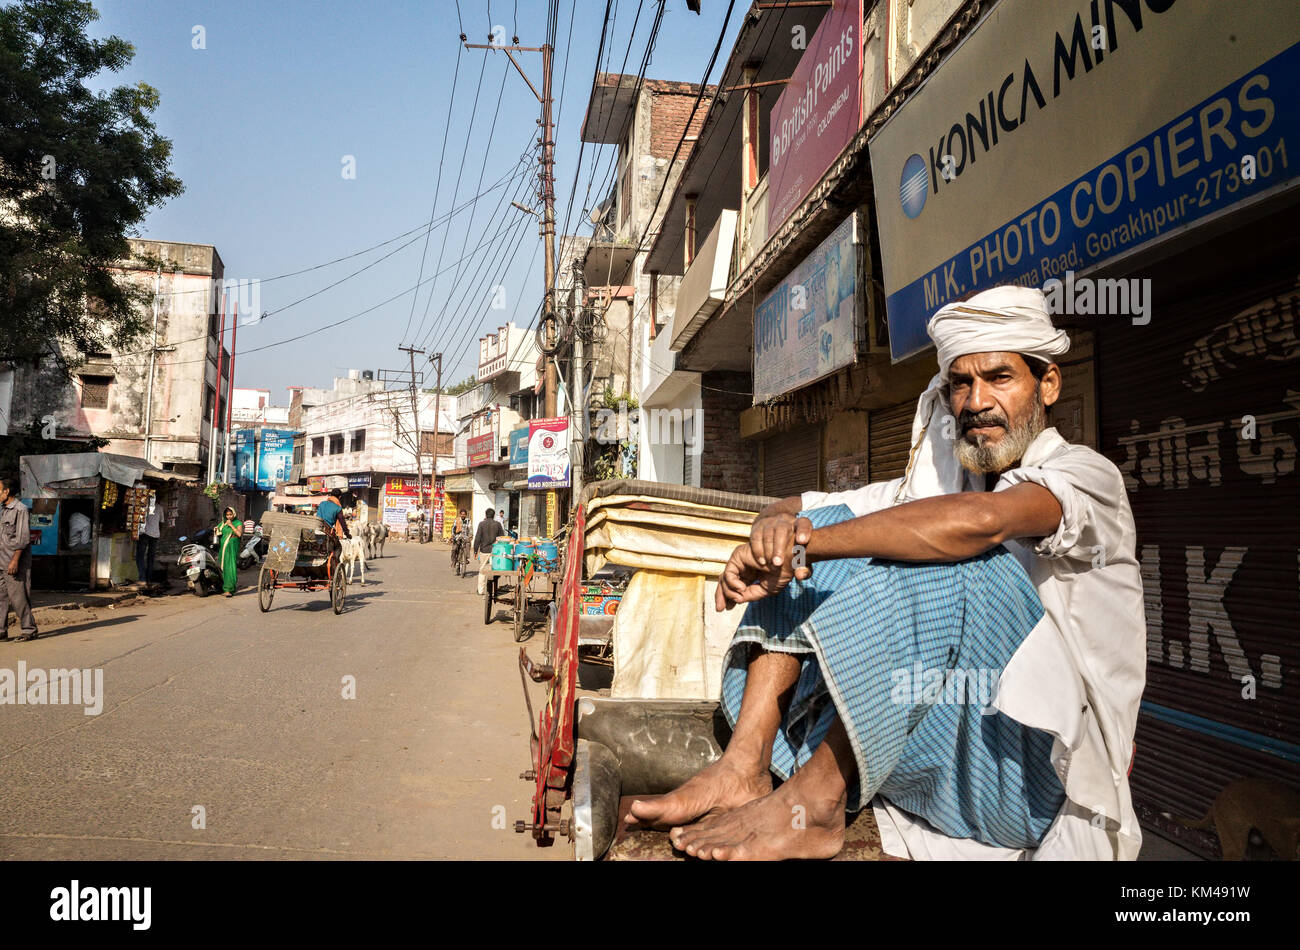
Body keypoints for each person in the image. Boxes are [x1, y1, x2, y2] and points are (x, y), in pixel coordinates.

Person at [628, 285, 1146, 861]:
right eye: (961, 383)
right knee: (826, 532)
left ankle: (819, 804)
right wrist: (774, 540)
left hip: (1033, 779)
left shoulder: (1086, 476)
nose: (976, 401)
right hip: (949, 766)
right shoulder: (944, 487)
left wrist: (813, 544)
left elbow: (977, 523)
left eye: (1000, 378)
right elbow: (794, 508)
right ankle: (743, 765)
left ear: (1047, 384)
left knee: (943, 552)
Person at [0, 476, 38, 642]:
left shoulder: (20, 510)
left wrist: (14, 561)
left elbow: (23, 538)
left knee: (18, 597)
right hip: (1, 561)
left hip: (13, 561)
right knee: (0, 598)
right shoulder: (2, 509)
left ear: (6, 491)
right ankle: (1, 631)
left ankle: (29, 629)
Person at [474, 507, 507, 596]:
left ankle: (480, 590)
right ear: (493, 515)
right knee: (495, 570)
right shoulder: (497, 524)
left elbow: (477, 538)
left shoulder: (481, 524)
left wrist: (475, 551)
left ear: (486, 515)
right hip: (495, 552)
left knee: (482, 570)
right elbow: (502, 538)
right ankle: (492, 590)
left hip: (484, 551)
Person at [135, 494, 161, 586]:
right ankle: (149, 579)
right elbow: (161, 522)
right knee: (151, 557)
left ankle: (142, 579)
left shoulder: (143, 506)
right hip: (155, 535)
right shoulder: (159, 507)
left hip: (145, 534)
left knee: (140, 556)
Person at [217, 506, 243, 598]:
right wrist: (216, 529)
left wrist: (231, 525)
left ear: (234, 514)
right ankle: (223, 587)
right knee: (221, 566)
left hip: (232, 549)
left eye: (230, 514)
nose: (229, 517)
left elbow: (239, 534)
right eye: (227, 515)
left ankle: (229, 589)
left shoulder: (238, 523)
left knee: (230, 567)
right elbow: (219, 531)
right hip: (223, 549)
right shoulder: (223, 523)